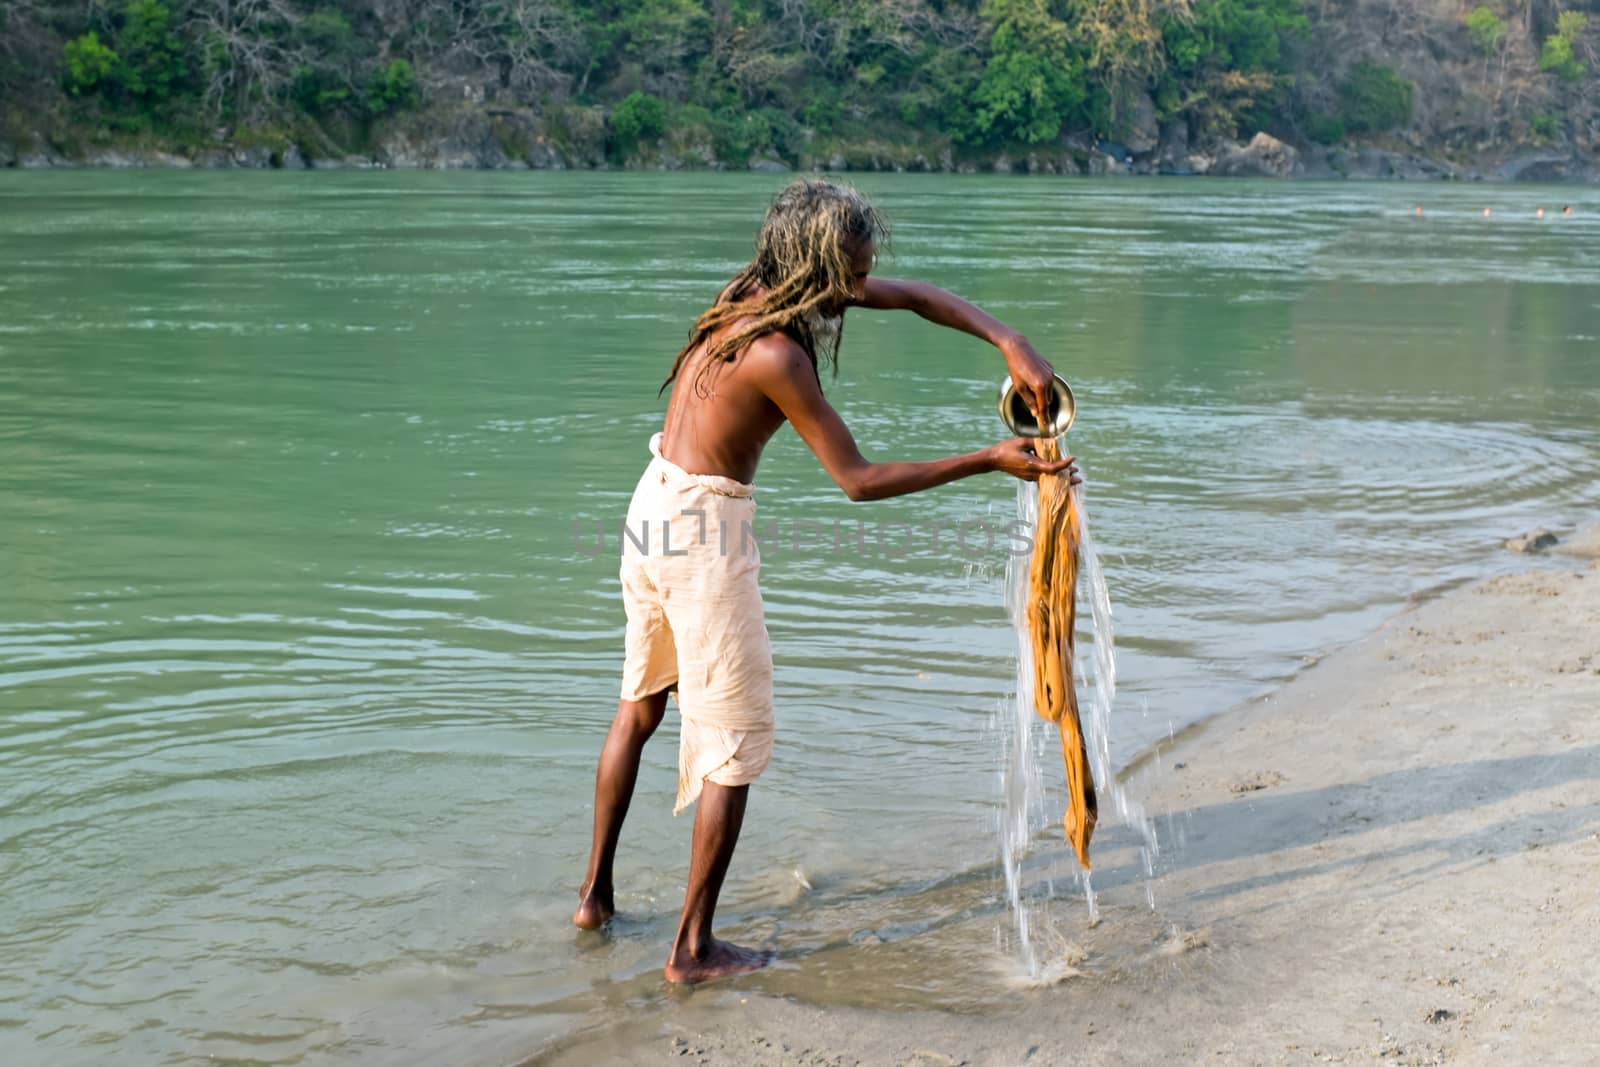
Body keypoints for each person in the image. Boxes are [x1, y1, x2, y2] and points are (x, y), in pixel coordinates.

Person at [573, 179, 1080, 983]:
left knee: (640, 705)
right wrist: (988, 459)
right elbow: (859, 479)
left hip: (652, 504)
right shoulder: (779, 354)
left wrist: (1006, 337)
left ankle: (593, 898)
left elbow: (915, 297)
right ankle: (693, 949)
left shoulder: (750, 290)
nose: (863, 282)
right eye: (853, 268)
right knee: (734, 744)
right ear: (817, 264)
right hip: (704, 530)